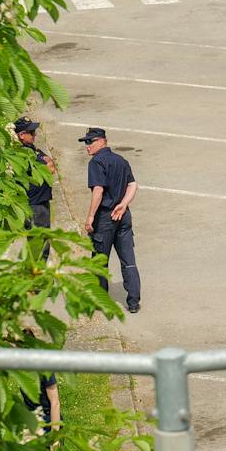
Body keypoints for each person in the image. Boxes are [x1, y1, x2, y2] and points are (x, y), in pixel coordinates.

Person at [79, 128, 142, 315]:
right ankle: (133, 301)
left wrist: (90, 216)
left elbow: (98, 190)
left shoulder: (96, 162)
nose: (87, 147)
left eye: (90, 142)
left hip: (105, 217)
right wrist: (123, 205)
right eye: (85, 143)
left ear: (101, 142)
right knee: (128, 259)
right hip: (122, 215)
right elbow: (133, 184)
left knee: (99, 260)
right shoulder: (121, 160)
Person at [16, 118, 53, 230]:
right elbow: (50, 169)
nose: (35, 135)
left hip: (40, 201)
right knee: (39, 241)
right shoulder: (21, 152)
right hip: (34, 204)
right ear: (22, 135)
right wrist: (47, 162)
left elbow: (50, 161)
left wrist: (48, 161)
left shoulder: (31, 148)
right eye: (32, 132)